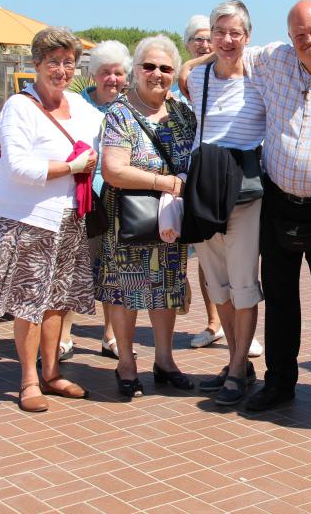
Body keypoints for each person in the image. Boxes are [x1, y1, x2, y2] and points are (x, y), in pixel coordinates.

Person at [181, 0, 311, 411]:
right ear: (289, 37)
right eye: (300, 34)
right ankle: (279, 381)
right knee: (282, 297)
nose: (309, 40)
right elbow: (229, 49)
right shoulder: (274, 59)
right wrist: (190, 65)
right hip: (279, 200)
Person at [0, 27, 101, 412]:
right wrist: (72, 166)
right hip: (28, 221)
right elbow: (18, 168)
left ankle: (52, 372)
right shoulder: (19, 106)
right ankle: (28, 380)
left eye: (68, 63)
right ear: (37, 65)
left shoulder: (79, 105)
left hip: (68, 218)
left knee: (58, 301)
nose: (61, 70)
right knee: (29, 303)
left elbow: (110, 125)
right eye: (53, 63)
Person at [95, 35, 195, 398]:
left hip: (168, 220)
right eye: (149, 66)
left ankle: (165, 361)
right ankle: (126, 363)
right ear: (135, 70)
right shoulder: (121, 113)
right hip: (128, 221)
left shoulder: (183, 113)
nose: (157, 74)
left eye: (166, 68)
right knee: (125, 292)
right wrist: (165, 182)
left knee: (166, 290)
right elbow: (113, 170)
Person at [186, 0, 266, 407]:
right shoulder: (198, 77)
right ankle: (239, 362)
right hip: (205, 188)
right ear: (210, 36)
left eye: (235, 33)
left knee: (243, 284)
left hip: (245, 192)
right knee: (217, 284)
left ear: (247, 37)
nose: (228, 40)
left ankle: (237, 368)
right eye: (220, 32)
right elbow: (184, 74)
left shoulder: (259, 77)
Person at [54, 40, 133, 362]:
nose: (112, 79)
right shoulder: (74, 105)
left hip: (117, 200)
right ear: (93, 75)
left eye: (118, 73)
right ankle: (64, 335)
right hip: (80, 199)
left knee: (113, 270)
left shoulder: (130, 107)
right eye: (105, 72)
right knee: (74, 268)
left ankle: (110, 335)